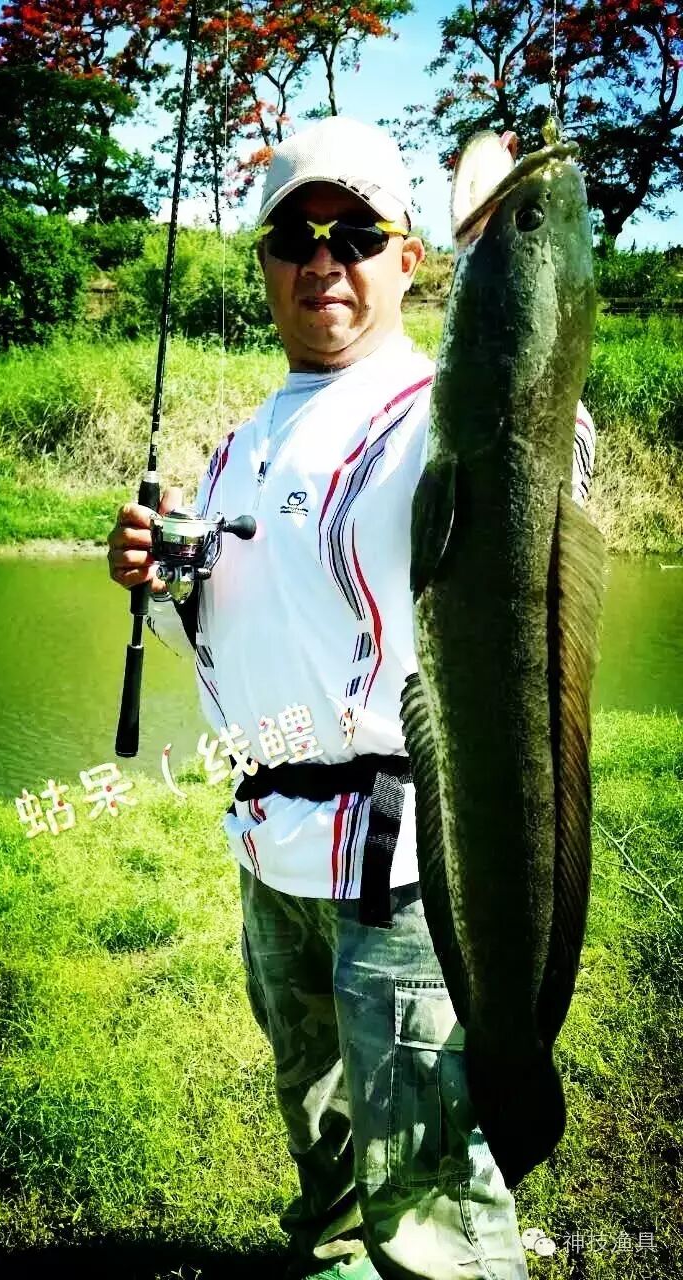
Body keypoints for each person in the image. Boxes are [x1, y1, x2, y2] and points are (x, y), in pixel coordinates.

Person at [107, 116, 596, 1280]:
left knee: (429, 1194)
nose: (324, 259)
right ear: (267, 263)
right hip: (268, 845)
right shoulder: (241, 443)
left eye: (358, 234)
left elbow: (539, 434)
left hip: (397, 863)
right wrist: (164, 576)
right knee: (320, 1126)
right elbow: (233, 631)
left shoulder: (441, 413)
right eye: (296, 236)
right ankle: (331, 1248)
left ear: (411, 259)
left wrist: (519, 248)